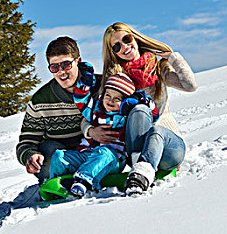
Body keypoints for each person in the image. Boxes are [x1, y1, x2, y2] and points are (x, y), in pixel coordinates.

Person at [83, 22, 197, 193]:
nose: (125, 47)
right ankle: (140, 170)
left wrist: (173, 57)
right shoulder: (115, 81)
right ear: (113, 53)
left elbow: (190, 85)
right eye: (116, 46)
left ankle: (142, 171)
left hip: (168, 147)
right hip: (135, 148)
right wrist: (90, 131)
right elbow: (90, 114)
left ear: (134, 38)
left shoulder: (157, 69)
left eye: (126, 39)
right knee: (139, 109)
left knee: (155, 129)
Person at [49, 65, 159, 197]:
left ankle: (83, 181)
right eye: (108, 95)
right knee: (59, 156)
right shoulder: (96, 111)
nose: (110, 101)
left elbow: (152, 115)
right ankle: (55, 183)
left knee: (104, 153)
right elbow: (81, 101)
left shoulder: (126, 117)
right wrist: (85, 83)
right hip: (87, 156)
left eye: (117, 98)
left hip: (112, 159)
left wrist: (143, 101)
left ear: (125, 101)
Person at [16, 36, 100, 184]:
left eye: (66, 64)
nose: (61, 72)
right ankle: (61, 182)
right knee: (49, 149)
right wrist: (30, 155)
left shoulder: (100, 87)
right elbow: (26, 142)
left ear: (78, 62)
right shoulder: (40, 101)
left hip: (96, 151)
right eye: (55, 67)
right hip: (59, 154)